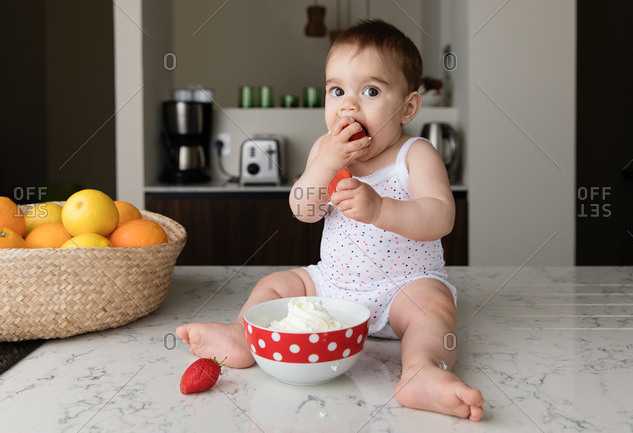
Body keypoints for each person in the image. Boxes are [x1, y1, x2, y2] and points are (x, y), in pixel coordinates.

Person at [177, 20, 484, 421]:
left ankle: (422, 371)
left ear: (408, 107)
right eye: (337, 90)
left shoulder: (415, 154)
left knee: (433, 310)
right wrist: (323, 165)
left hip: (403, 288)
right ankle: (242, 336)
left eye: (370, 91)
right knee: (276, 284)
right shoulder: (325, 152)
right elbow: (303, 210)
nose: (349, 106)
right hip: (333, 288)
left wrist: (381, 210)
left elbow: (440, 217)